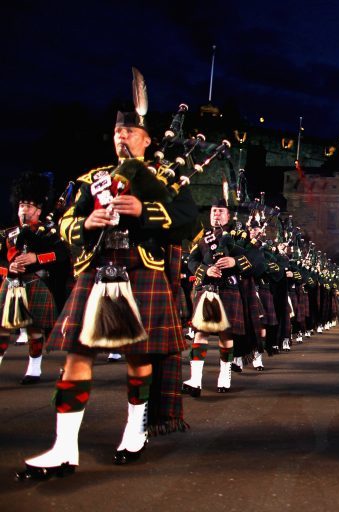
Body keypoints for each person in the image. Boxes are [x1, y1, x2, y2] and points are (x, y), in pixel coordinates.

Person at [18, 94, 198, 480]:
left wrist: (144, 210)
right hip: (98, 271)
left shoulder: (163, 181)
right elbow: (65, 222)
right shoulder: (90, 179)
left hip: (141, 271)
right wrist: (86, 224)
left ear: (147, 139)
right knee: (76, 357)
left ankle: (134, 430)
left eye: (130, 131)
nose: (122, 136)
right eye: (118, 131)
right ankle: (64, 448)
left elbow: (189, 222)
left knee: (139, 357)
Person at [0, 172, 71, 384]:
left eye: (29, 206)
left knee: (34, 329)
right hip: (11, 282)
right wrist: (9, 267)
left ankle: (34, 369)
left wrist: (35, 257)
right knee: (1, 327)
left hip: (36, 282)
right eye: (22, 205)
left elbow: (62, 255)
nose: (24, 209)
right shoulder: (8, 233)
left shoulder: (49, 232)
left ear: (38, 210)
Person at [184, 200, 250, 395]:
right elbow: (192, 260)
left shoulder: (239, 237)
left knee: (226, 334)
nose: (216, 214)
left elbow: (255, 260)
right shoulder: (203, 238)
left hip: (228, 290)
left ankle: (225, 375)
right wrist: (205, 269)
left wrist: (234, 261)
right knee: (200, 333)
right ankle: (195, 380)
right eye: (214, 211)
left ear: (228, 216)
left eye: (221, 211)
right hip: (208, 289)